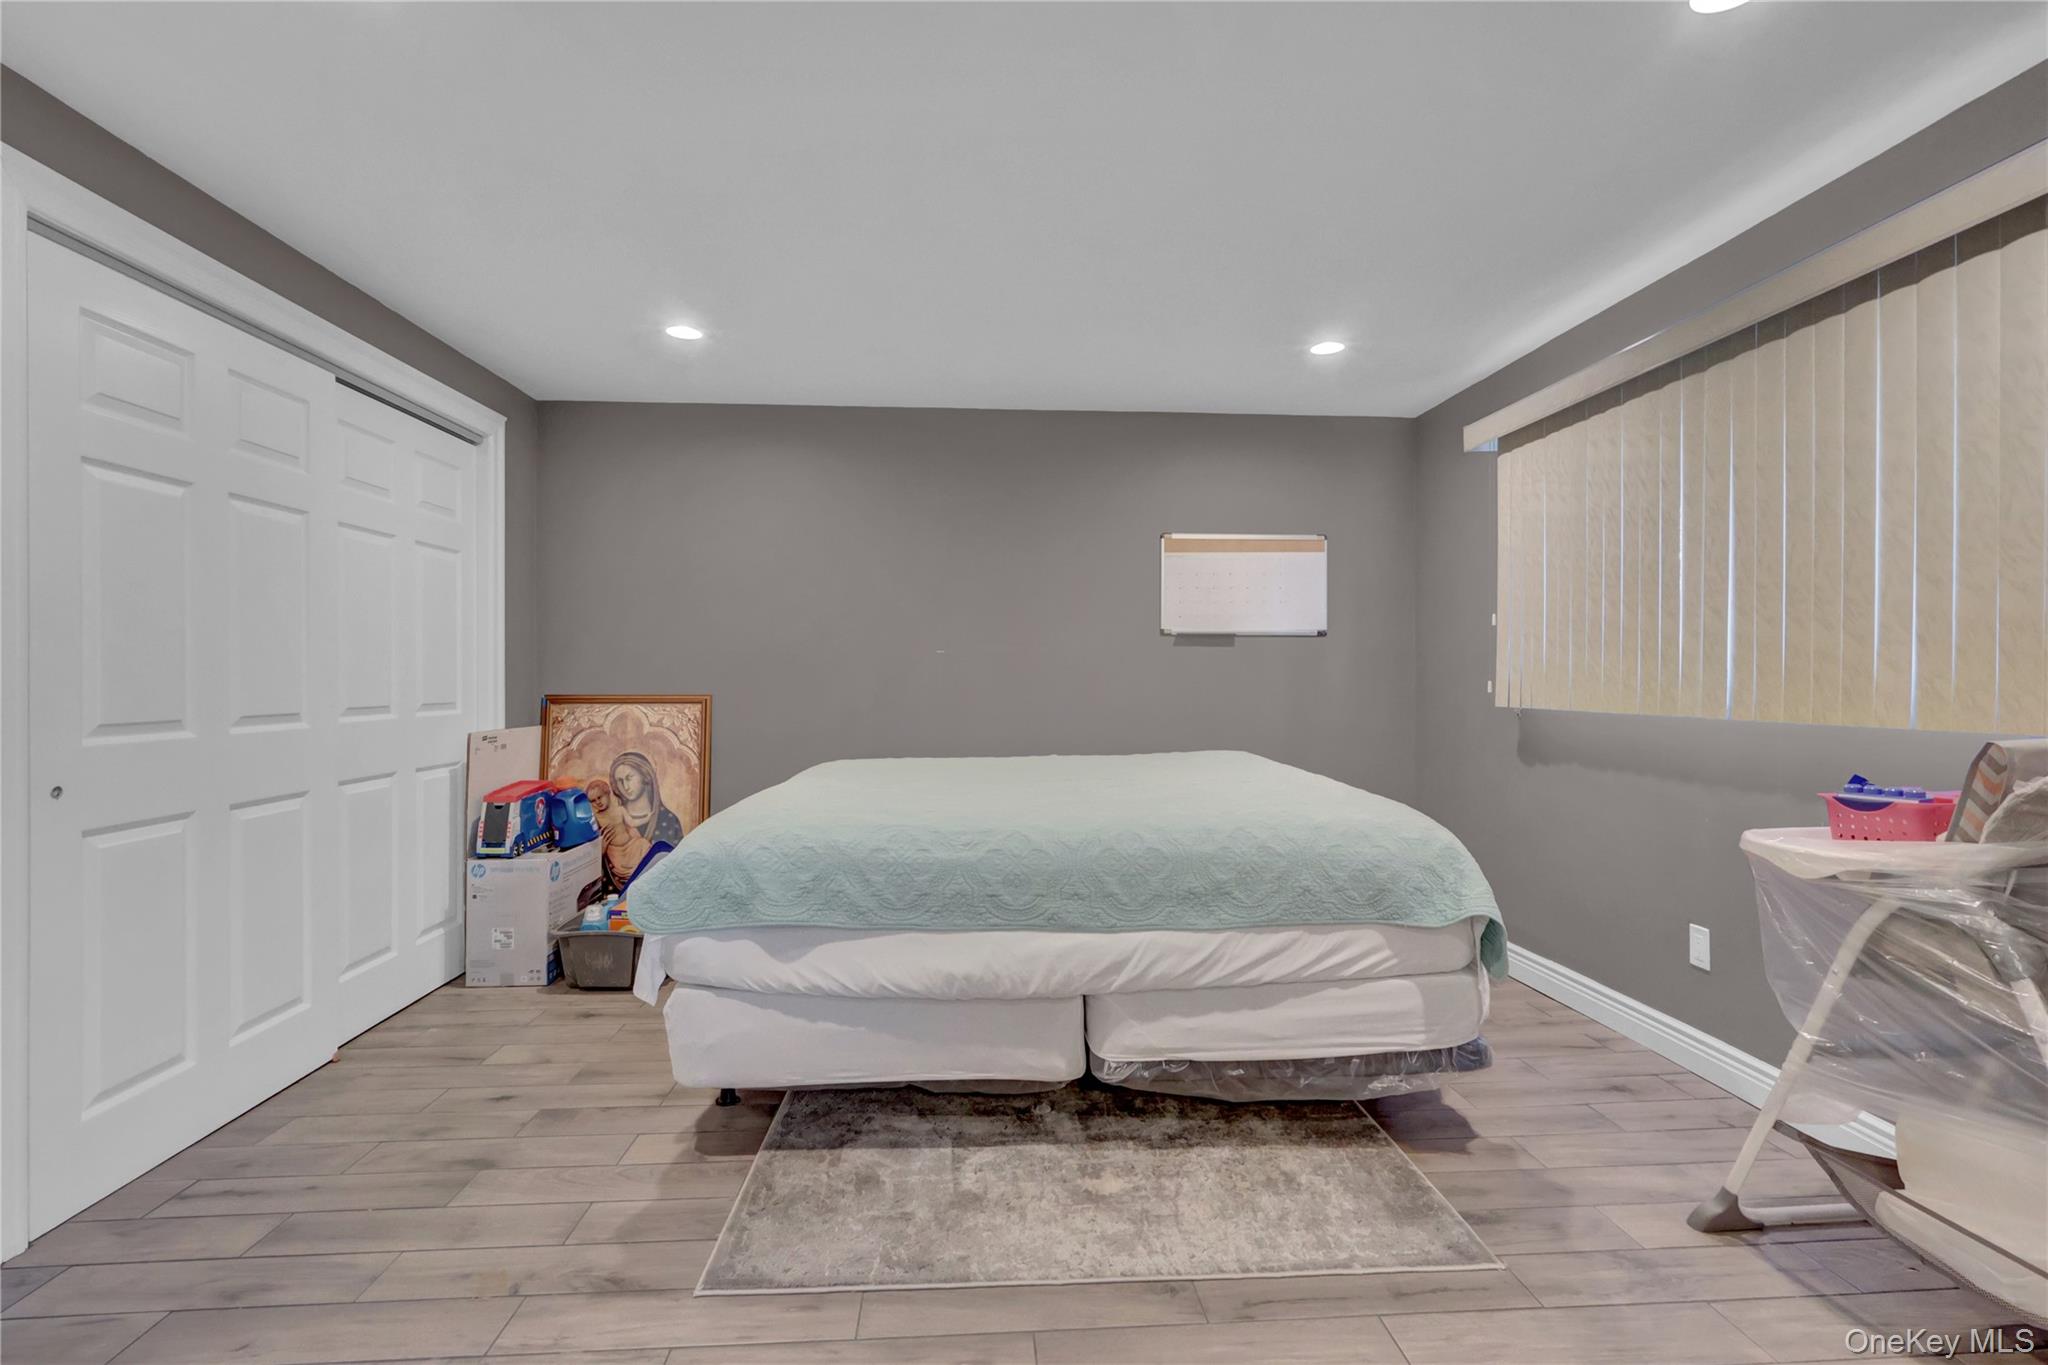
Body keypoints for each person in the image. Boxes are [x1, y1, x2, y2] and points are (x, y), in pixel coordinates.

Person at [611, 750, 686, 846]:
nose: (626, 787)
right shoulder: (614, 818)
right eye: (619, 781)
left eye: (629, 778)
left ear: (645, 775)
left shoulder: (668, 819)